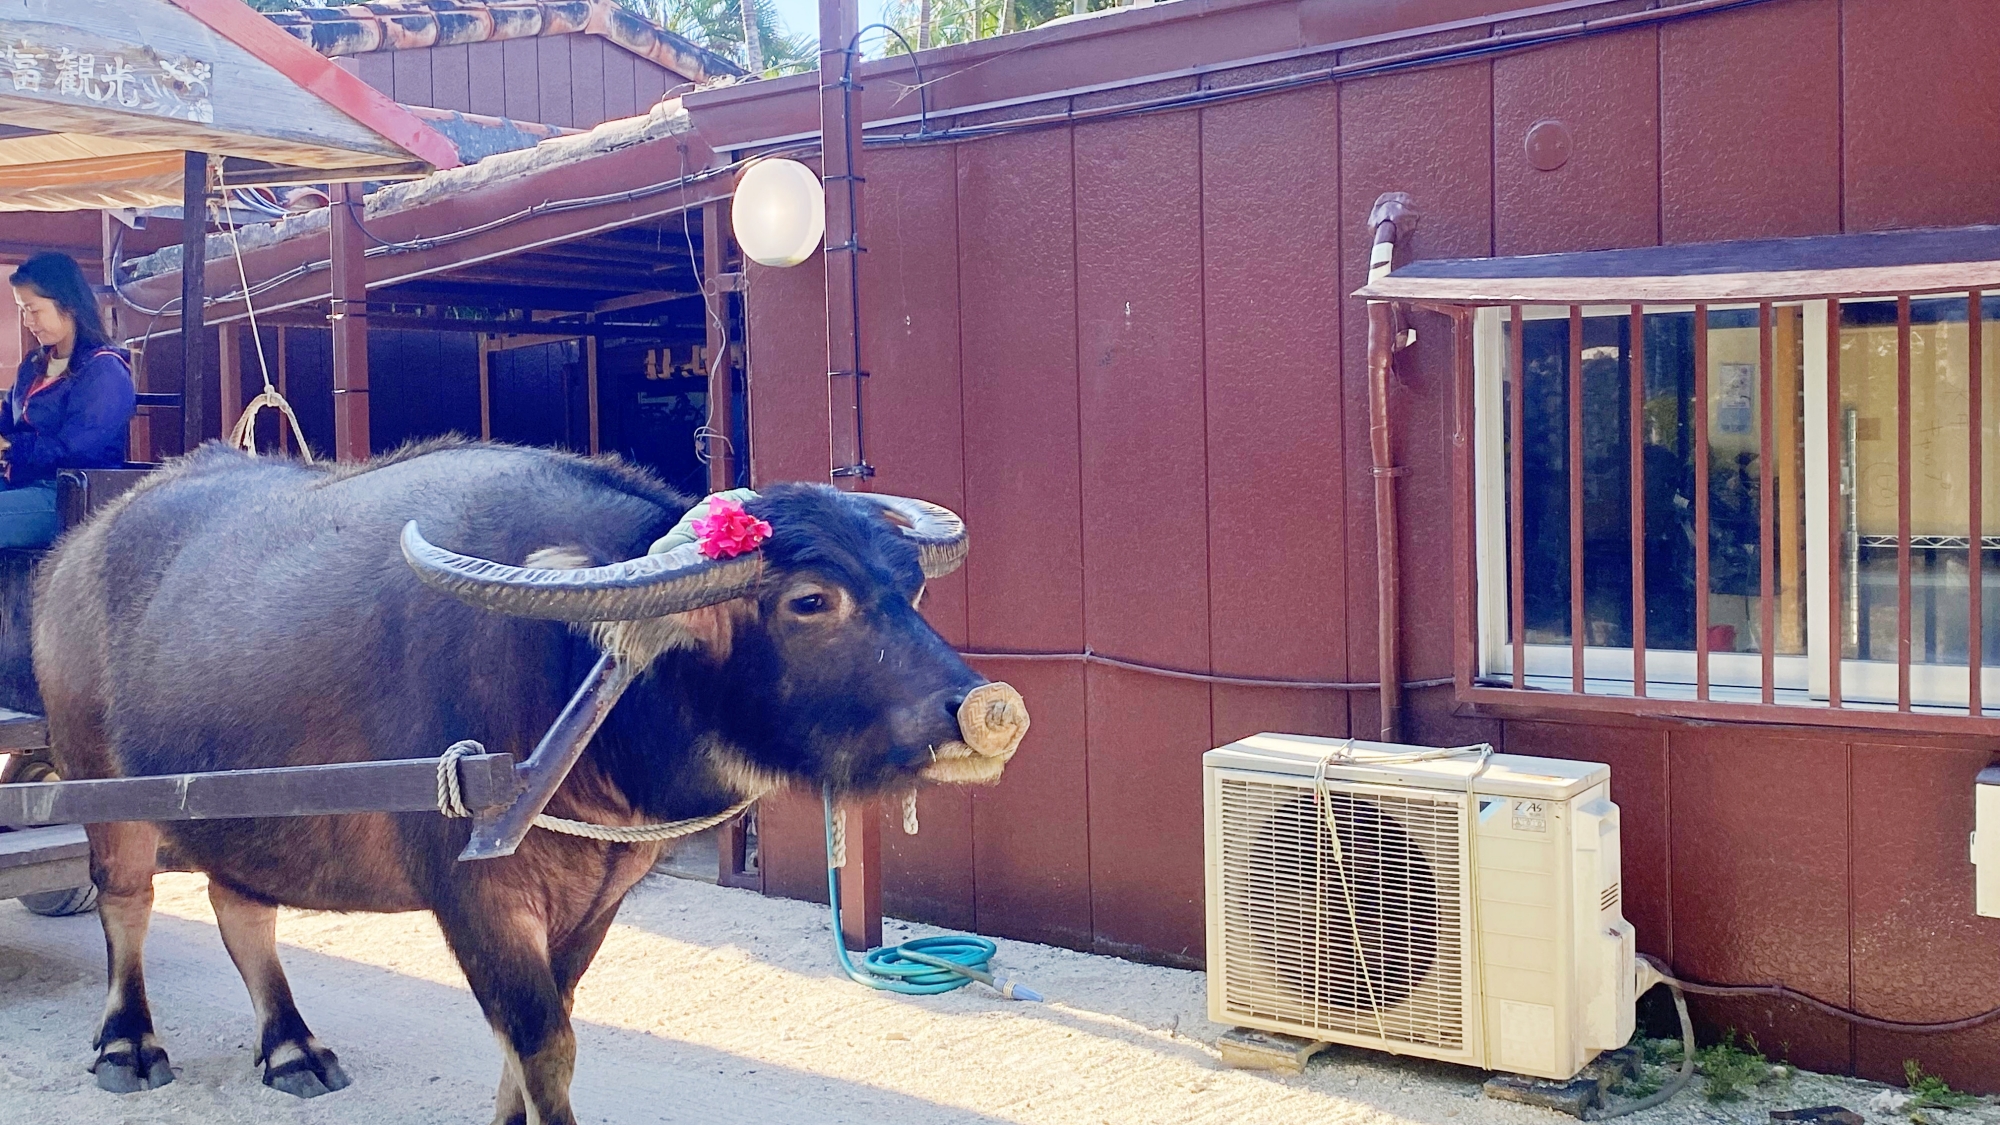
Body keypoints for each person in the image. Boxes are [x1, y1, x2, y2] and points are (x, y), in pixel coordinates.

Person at [0, 252, 136, 549]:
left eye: (34, 311)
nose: (27, 321)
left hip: (70, 496)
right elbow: (8, 420)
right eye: (23, 311)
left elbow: (78, 450)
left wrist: (11, 447)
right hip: (20, 481)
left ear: (68, 305)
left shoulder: (104, 370)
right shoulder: (33, 365)